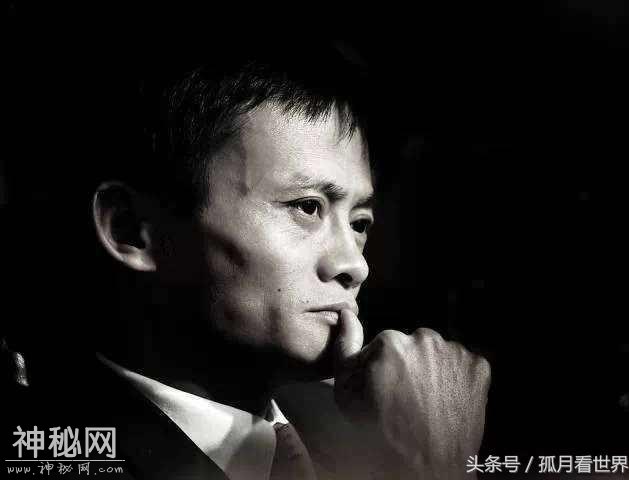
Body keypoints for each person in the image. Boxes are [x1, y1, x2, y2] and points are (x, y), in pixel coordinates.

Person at [3, 42, 490, 479]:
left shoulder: (370, 428)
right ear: (132, 231)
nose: (354, 265)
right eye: (307, 207)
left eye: (359, 223)